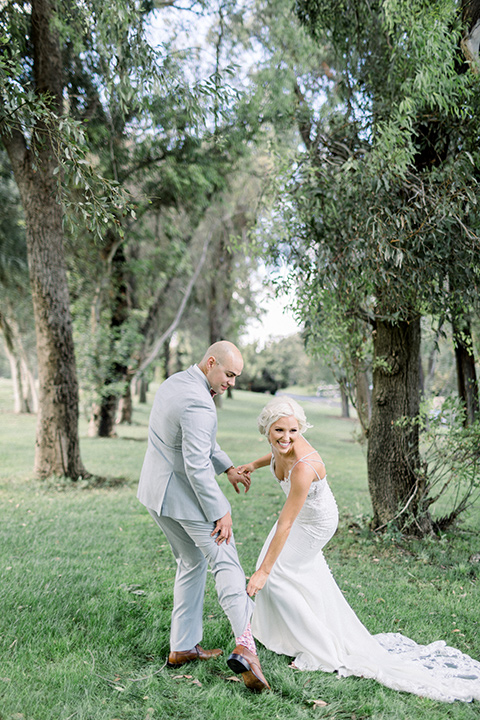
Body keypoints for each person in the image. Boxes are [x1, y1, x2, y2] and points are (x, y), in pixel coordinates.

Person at [236, 396, 480, 703]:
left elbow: (285, 523)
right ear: (267, 430)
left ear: (300, 430)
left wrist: (263, 573)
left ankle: (321, 649)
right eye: (278, 431)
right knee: (276, 566)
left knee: (276, 573)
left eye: (293, 431)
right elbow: (275, 455)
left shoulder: (303, 466)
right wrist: (254, 465)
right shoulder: (281, 445)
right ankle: (294, 633)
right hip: (297, 516)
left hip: (316, 521)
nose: (286, 437)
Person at [137, 341, 270, 692]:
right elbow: (196, 466)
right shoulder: (199, 402)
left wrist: (227, 467)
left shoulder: (176, 382)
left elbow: (199, 444)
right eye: (229, 374)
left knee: (191, 561)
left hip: (155, 493)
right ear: (211, 362)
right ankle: (247, 647)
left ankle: (182, 647)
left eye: (236, 377)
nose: (232, 383)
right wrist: (220, 511)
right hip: (180, 494)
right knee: (225, 558)